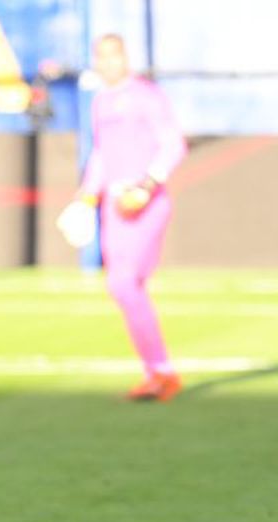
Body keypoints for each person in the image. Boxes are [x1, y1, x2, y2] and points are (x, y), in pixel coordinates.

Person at [60, 33, 187, 401]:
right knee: (126, 286)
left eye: (114, 56)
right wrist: (86, 196)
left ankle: (161, 371)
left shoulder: (145, 95)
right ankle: (157, 372)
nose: (108, 63)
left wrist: (146, 185)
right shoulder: (100, 101)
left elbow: (173, 143)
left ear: (125, 58)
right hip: (114, 208)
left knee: (123, 282)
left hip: (145, 202)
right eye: (101, 57)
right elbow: (102, 154)